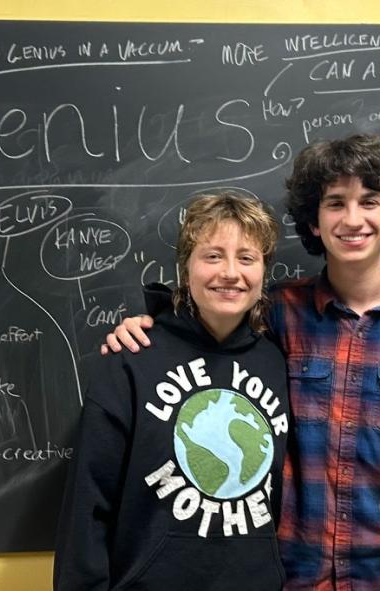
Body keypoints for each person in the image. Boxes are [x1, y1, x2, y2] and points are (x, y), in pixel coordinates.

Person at [103, 134, 380, 591]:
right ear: (314, 222)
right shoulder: (279, 313)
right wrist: (151, 327)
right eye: (335, 203)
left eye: (369, 201)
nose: (353, 220)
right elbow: (209, 334)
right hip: (298, 579)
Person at [54, 192, 289, 591]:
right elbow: (87, 506)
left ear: (263, 271)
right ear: (186, 267)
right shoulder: (131, 357)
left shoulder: (276, 363)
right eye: (212, 256)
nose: (230, 272)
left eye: (246, 258)